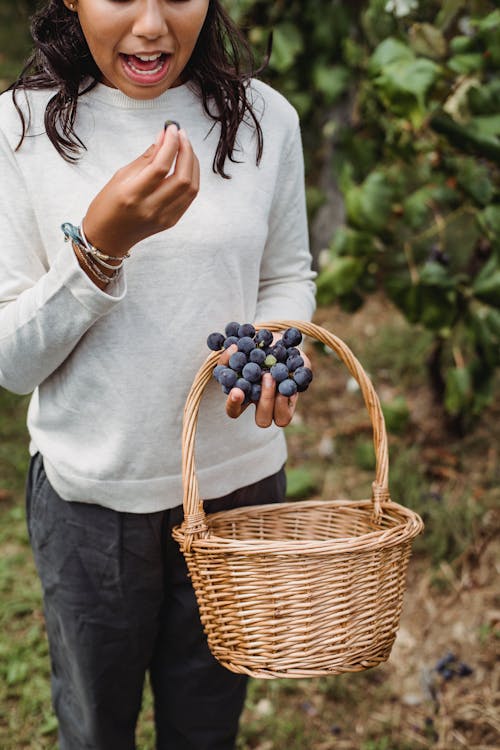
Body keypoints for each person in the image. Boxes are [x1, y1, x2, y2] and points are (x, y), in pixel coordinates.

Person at [0, 0, 316, 748]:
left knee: (207, 723)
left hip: (238, 493)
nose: (150, 25)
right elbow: (13, 362)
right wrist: (100, 247)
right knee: (97, 723)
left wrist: (277, 346)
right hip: (92, 505)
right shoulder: (16, 131)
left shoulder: (267, 120)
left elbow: (287, 274)